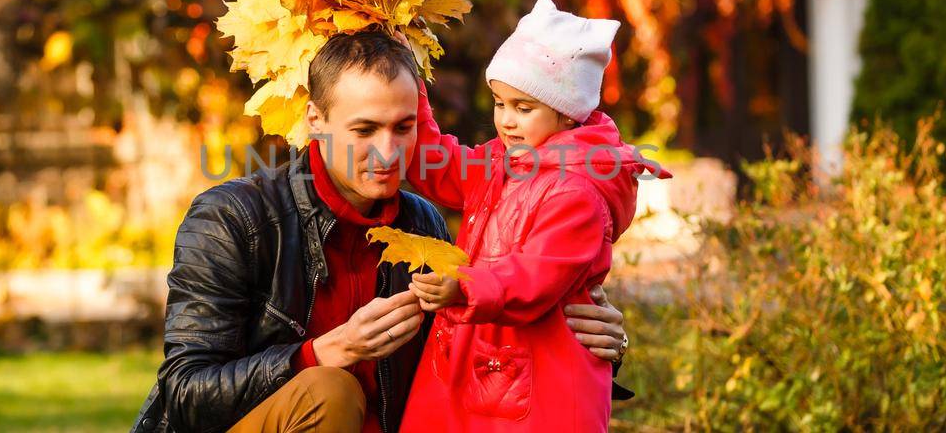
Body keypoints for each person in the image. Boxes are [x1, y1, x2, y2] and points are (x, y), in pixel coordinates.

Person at [128, 30, 631, 433]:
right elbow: (186, 393)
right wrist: (325, 351)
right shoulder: (236, 219)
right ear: (316, 121)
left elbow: (479, 351)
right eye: (364, 130)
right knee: (332, 392)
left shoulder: (421, 226)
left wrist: (570, 330)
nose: (389, 152)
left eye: (404, 127)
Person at [399, 0, 669, 432]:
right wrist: (408, 82)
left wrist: (463, 288)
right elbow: (440, 163)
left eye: (524, 108)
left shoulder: (577, 192)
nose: (506, 120)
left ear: (566, 115)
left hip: (545, 371)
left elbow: (534, 275)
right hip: (485, 356)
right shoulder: (502, 162)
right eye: (499, 102)